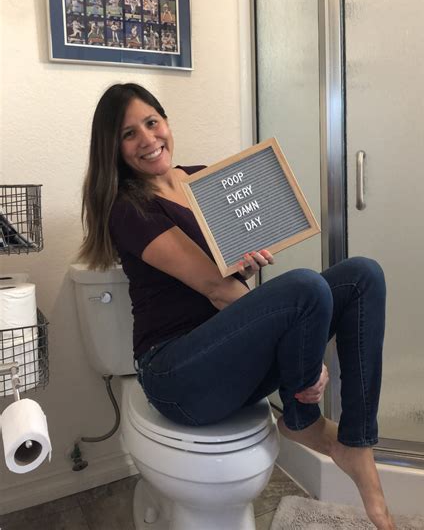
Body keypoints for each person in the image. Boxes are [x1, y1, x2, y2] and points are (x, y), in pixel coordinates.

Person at [78, 83, 396, 530]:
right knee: (306, 288)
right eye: (129, 134)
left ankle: (355, 443)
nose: (148, 139)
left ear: (166, 122)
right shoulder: (127, 209)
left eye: (152, 122)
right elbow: (213, 286)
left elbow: (230, 280)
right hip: (175, 371)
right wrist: (306, 365)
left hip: (226, 359)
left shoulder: (207, 181)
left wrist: (246, 266)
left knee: (363, 275)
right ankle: (303, 419)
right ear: (113, 148)